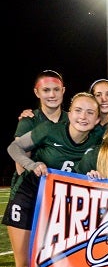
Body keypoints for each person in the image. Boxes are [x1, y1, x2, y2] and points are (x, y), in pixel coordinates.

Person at [3, 92, 102, 267]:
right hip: (28, 199)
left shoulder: (100, 138)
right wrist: (30, 164)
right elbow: (14, 147)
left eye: (90, 112)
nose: (84, 116)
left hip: (60, 206)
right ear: (70, 112)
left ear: (98, 118)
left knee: (58, 264)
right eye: (79, 110)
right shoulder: (49, 129)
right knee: (24, 264)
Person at [11, 70, 69, 198]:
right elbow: (21, 166)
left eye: (56, 89)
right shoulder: (29, 121)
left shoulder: (73, 120)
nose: (52, 94)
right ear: (37, 92)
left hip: (62, 192)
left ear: (63, 90)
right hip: (32, 191)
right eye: (46, 90)